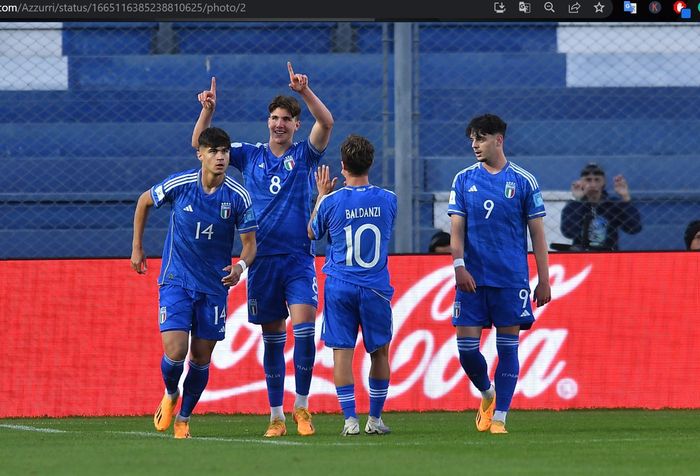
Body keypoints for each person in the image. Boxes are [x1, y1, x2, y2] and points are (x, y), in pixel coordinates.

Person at [191, 62, 334, 437]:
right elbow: (200, 146)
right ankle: (276, 416)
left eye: (286, 119)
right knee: (272, 339)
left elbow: (328, 123)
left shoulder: (304, 155)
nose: (279, 124)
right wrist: (207, 109)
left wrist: (305, 91)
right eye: (274, 117)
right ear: (267, 121)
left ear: (296, 125)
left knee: (304, 330)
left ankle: (302, 407)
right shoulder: (249, 154)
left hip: (299, 258)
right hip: (262, 261)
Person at [131, 127, 257, 439]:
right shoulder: (182, 184)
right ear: (200, 154)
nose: (220, 156)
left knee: (200, 358)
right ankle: (171, 392)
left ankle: (184, 418)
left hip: (214, 287)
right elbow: (144, 201)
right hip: (176, 279)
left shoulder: (238, 196)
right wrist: (137, 247)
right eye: (213, 151)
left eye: (225, 151)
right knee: (175, 351)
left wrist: (240, 266)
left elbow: (251, 244)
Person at [447, 114, 551, 435]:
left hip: (511, 280)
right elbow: (456, 229)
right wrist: (458, 265)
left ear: (498, 140)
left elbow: (537, 234)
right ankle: (487, 394)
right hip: (472, 280)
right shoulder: (463, 179)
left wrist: (543, 279)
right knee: (466, 351)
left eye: (481, 138)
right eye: (472, 140)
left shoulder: (523, 181)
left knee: (508, 348)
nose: (475, 145)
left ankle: (500, 418)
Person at [307, 135, 397, 436]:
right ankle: (374, 419)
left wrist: (321, 194)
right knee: (379, 353)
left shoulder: (331, 202)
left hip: (340, 286)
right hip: (374, 288)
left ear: (343, 166)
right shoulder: (389, 199)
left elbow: (312, 231)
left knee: (342, 353)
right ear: (370, 163)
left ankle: (350, 420)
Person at [560, 163, 642, 251]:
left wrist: (625, 198)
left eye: (597, 180)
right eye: (588, 180)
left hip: (609, 254)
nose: (593, 183)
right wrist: (577, 200)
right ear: (581, 182)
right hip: (581, 255)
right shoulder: (574, 205)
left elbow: (634, 228)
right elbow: (568, 233)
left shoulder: (613, 204)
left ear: (604, 182)